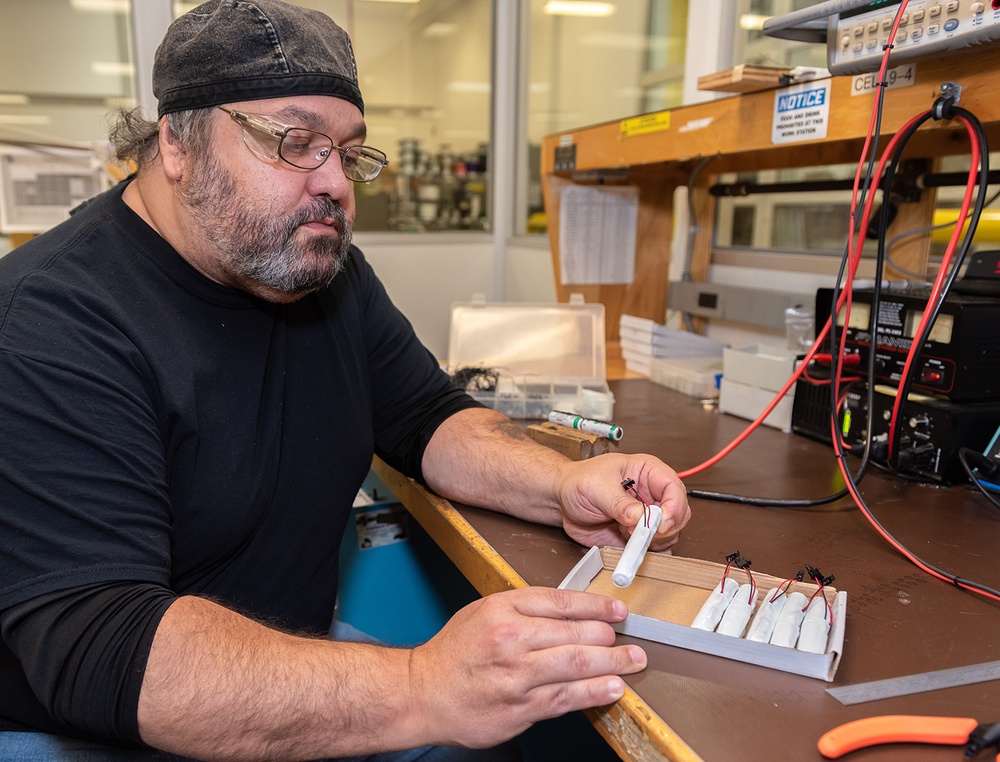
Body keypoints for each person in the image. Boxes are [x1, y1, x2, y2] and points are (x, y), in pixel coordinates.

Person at [0, 1, 691, 760]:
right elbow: (108, 651)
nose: (336, 183)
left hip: (281, 651)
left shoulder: (320, 276)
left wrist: (561, 485)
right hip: (100, 720)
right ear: (175, 141)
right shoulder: (51, 321)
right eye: (296, 143)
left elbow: (428, 417)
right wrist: (428, 686)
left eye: (349, 151)